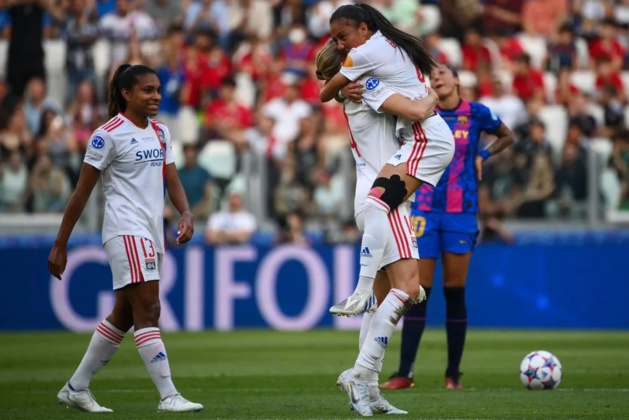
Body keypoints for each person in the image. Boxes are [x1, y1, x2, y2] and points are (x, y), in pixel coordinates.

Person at [47, 64, 203, 413]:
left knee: (125, 313)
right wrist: (60, 243)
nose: (156, 96)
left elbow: (171, 177)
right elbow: (81, 192)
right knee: (149, 308)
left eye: (158, 89)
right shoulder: (108, 134)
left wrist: (186, 212)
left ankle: (76, 387)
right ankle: (168, 396)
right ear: (126, 93)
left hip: (151, 231)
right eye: (147, 90)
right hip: (125, 229)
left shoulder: (161, 132)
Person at [316, 35, 439, 415]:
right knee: (410, 288)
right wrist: (433, 89)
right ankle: (360, 373)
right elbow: (418, 110)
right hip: (387, 200)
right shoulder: (367, 87)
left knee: (384, 301)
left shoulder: (357, 90)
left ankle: (367, 389)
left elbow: (335, 90)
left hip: (375, 194)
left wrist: (338, 88)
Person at [380, 64, 514, 391]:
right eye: (432, 74)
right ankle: (404, 373)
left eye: (443, 73)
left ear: (457, 80)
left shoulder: (477, 113)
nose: (436, 77)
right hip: (424, 208)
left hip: (461, 212)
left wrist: (482, 153)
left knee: (454, 292)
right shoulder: (419, 111)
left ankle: (453, 375)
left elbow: (507, 136)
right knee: (416, 292)